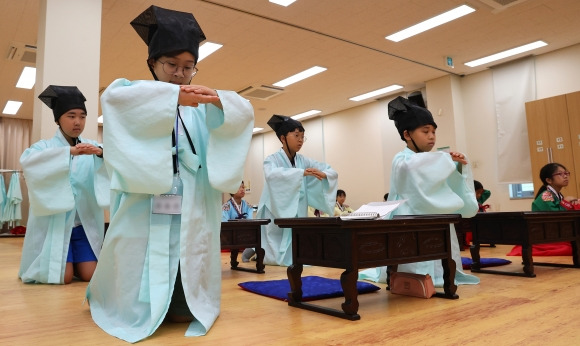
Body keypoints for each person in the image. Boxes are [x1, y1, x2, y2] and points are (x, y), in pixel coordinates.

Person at [86, 5, 254, 343]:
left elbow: (240, 114)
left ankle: (183, 298)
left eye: (188, 67)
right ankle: (131, 302)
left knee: (182, 297)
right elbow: (114, 99)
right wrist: (171, 98)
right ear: (152, 63)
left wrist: (221, 103)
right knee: (139, 261)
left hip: (190, 202)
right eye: (171, 65)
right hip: (146, 201)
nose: (180, 74)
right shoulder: (134, 95)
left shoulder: (198, 108)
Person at [358, 96, 480, 287]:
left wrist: (456, 166)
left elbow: (443, 179)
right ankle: (410, 278)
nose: (432, 136)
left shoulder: (433, 159)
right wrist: (445, 159)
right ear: (407, 135)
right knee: (413, 260)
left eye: (433, 131)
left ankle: (443, 274)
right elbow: (413, 168)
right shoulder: (401, 159)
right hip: (408, 215)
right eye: (425, 131)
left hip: (434, 215)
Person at [19, 85, 109, 285]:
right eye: (71, 116)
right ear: (58, 119)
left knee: (90, 275)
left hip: (83, 224)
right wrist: (67, 153)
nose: (78, 122)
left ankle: (77, 260)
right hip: (57, 226)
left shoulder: (91, 146)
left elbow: (116, 158)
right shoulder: (45, 147)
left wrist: (101, 154)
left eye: (82, 116)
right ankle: (69, 262)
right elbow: (28, 161)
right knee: (63, 277)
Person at [256, 115, 338, 266]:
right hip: (275, 208)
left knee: (296, 246)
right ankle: (258, 252)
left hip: (296, 208)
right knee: (274, 243)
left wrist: (324, 174)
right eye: (296, 135)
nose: (300, 140)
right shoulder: (271, 159)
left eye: (302, 136)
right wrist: (300, 173)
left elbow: (328, 169)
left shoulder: (303, 160)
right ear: (283, 138)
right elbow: (271, 175)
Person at [508, 163, 578, 256]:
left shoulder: (557, 195)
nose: (565, 176)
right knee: (572, 248)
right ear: (549, 180)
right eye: (560, 174)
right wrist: (566, 202)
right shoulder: (546, 195)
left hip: (554, 232)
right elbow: (556, 216)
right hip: (545, 234)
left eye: (566, 173)